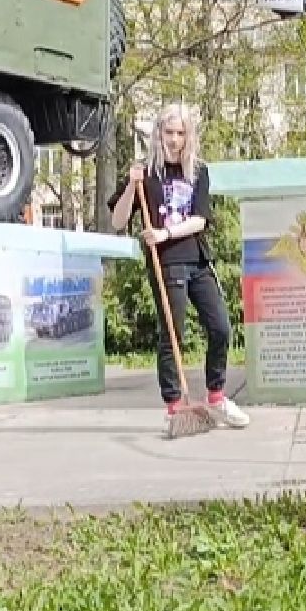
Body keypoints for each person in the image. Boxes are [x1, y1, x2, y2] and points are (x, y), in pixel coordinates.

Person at [107, 104, 250, 433]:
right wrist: (131, 186)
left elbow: (199, 220)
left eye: (180, 133)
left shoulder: (198, 171)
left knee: (221, 327)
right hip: (166, 264)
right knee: (173, 335)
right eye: (169, 132)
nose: (174, 140)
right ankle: (174, 406)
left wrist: (165, 233)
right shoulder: (145, 172)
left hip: (197, 259)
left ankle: (216, 396)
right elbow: (117, 221)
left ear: (189, 137)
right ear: (158, 134)